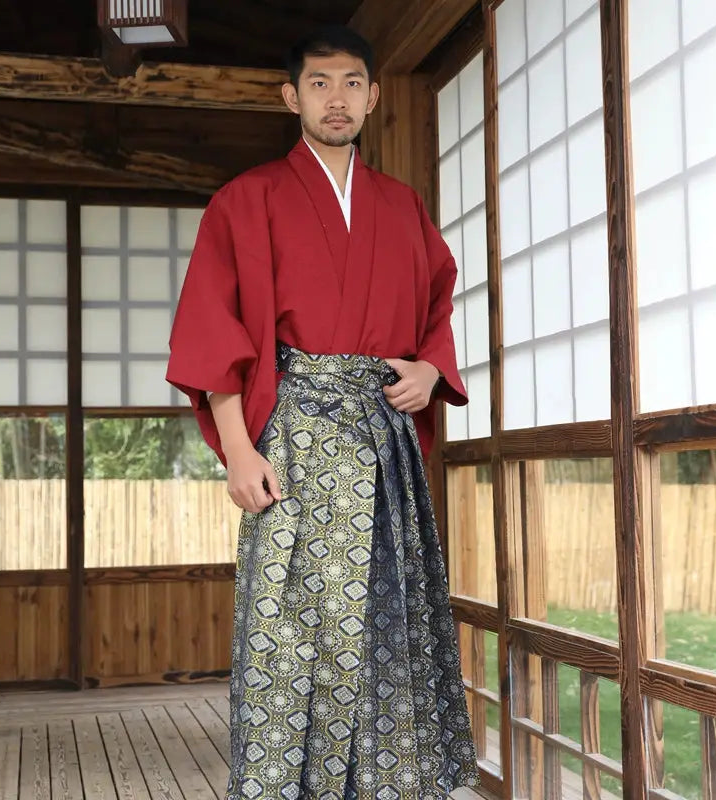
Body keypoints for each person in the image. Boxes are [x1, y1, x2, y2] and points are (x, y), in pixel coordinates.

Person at [167, 24, 478, 800]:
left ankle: (387, 785)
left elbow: (438, 301)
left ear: (373, 97)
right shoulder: (246, 201)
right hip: (294, 443)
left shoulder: (402, 208)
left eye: (349, 84)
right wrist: (239, 451)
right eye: (318, 84)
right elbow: (215, 333)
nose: (335, 99)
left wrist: (431, 368)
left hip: (382, 442)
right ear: (290, 96)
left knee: (385, 630)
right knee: (292, 632)